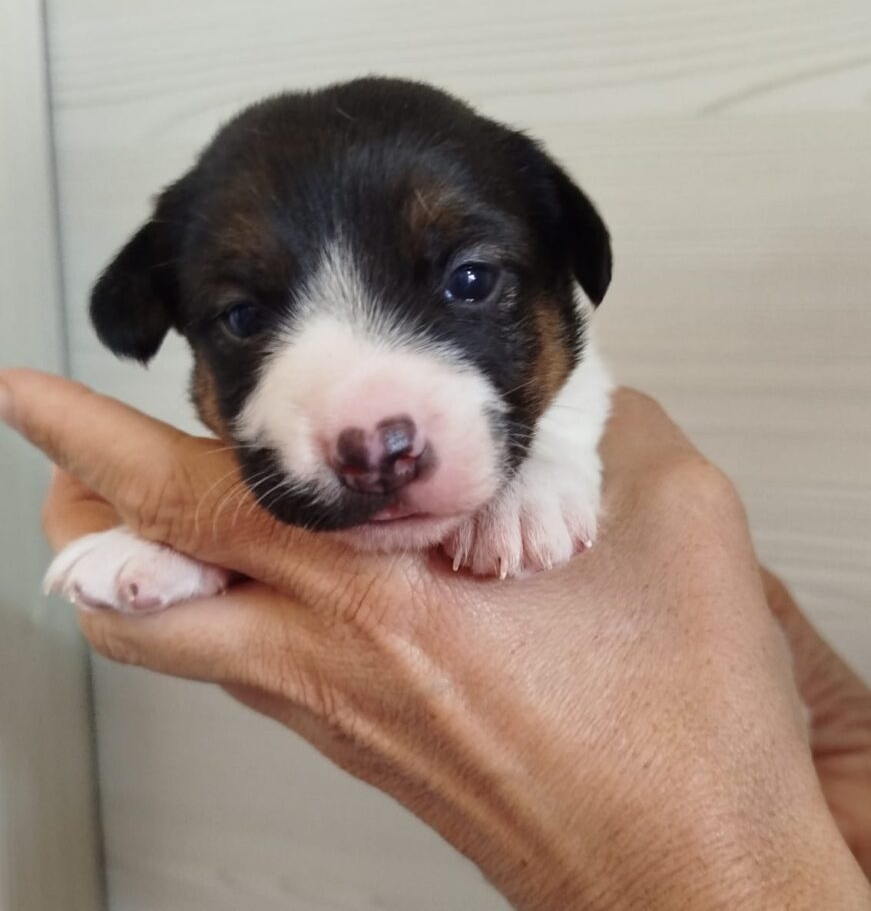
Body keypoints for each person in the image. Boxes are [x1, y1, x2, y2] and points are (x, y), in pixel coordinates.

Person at [1, 369, 869, 909]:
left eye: (468, 283)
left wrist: (653, 879)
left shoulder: (571, 418)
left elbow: (591, 398)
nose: (375, 441)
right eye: (247, 318)